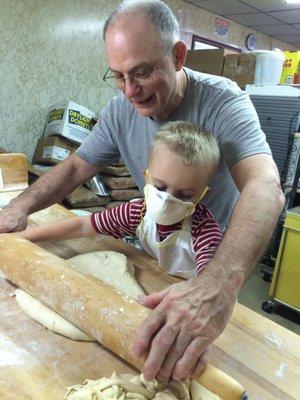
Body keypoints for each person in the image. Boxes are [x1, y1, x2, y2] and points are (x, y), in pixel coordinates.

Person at [1, 0, 284, 383]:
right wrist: (19, 207)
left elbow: (265, 186)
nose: (131, 90)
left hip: (212, 264)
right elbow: (74, 168)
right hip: (153, 257)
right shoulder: (121, 110)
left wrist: (216, 286)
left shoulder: (223, 102)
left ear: (178, 55)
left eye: (142, 72)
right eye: (118, 76)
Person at [16, 121, 222, 280]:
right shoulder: (138, 212)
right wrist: (24, 238)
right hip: (160, 277)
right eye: (160, 187)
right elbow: (83, 226)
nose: (168, 199)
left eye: (184, 195)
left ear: (203, 194)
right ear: (146, 176)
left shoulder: (203, 231)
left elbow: (211, 280)